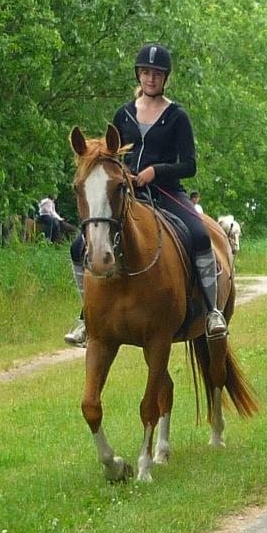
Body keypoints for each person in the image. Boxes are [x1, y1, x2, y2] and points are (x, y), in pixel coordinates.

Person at [64, 43, 227, 347]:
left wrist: (157, 171)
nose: (151, 78)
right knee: (78, 246)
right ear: (138, 75)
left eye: (157, 73)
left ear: (165, 78)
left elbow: (189, 165)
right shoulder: (123, 113)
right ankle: (87, 315)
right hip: (128, 195)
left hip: (167, 192)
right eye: (146, 72)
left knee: (200, 235)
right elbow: (111, 156)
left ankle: (212, 311)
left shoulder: (178, 116)